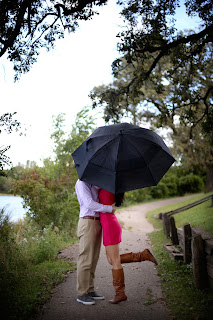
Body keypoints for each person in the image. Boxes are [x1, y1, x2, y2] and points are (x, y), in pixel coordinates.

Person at [99, 189, 158, 304]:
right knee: (111, 260)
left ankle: (120, 294)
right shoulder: (109, 187)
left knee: (115, 261)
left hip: (109, 225)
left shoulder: (108, 188)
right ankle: (143, 255)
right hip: (108, 224)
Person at [75, 179, 116, 306]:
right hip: (87, 222)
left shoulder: (93, 184)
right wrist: (109, 208)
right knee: (86, 257)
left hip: (97, 221)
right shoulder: (81, 183)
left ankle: (90, 290)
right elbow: (89, 204)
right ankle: (82, 293)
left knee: (93, 258)